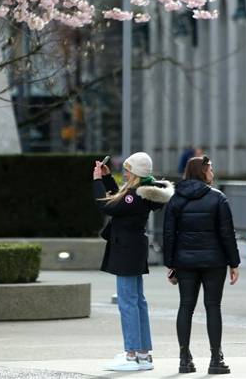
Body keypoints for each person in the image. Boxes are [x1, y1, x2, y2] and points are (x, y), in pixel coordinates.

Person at [93, 152, 174, 372]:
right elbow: (116, 199)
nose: (124, 172)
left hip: (126, 252)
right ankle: (142, 353)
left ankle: (132, 355)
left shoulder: (134, 195)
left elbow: (107, 205)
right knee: (137, 302)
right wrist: (108, 179)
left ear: (136, 173)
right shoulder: (141, 193)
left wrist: (97, 181)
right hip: (133, 250)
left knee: (128, 303)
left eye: (128, 169)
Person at [163, 155, 240, 375]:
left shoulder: (176, 199)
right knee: (213, 307)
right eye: (210, 169)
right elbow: (227, 234)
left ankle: (184, 358)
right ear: (203, 171)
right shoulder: (218, 198)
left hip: (185, 262)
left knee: (185, 306)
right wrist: (233, 262)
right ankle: (216, 358)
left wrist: (170, 264)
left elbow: (169, 235)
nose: (213, 173)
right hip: (214, 261)